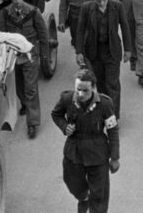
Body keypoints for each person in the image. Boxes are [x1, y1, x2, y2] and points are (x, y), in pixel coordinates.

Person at [50, 69, 120, 213]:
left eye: (85, 91)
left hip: (98, 154)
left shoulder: (105, 104)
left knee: (100, 195)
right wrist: (64, 127)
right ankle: (84, 198)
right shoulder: (67, 99)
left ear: (93, 88)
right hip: (74, 152)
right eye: (78, 90)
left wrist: (114, 157)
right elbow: (56, 114)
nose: (81, 94)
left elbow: (112, 131)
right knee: (73, 184)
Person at [0, 0, 49, 139]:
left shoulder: (33, 12)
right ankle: (24, 104)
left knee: (31, 88)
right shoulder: (5, 13)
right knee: (19, 85)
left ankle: (32, 123)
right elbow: (0, 34)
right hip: (13, 55)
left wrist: (44, 55)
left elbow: (43, 35)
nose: (17, 0)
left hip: (30, 54)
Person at [75, 0, 131, 118]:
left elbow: (125, 27)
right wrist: (79, 51)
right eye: (98, 0)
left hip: (112, 51)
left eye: (104, 0)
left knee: (112, 84)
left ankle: (113, 117)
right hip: (94, 52)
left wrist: (128, 49)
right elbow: (81, 30)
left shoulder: (117, 7)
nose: (101, 3)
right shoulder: (87, 8)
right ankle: (103, 113)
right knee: (99, 84)